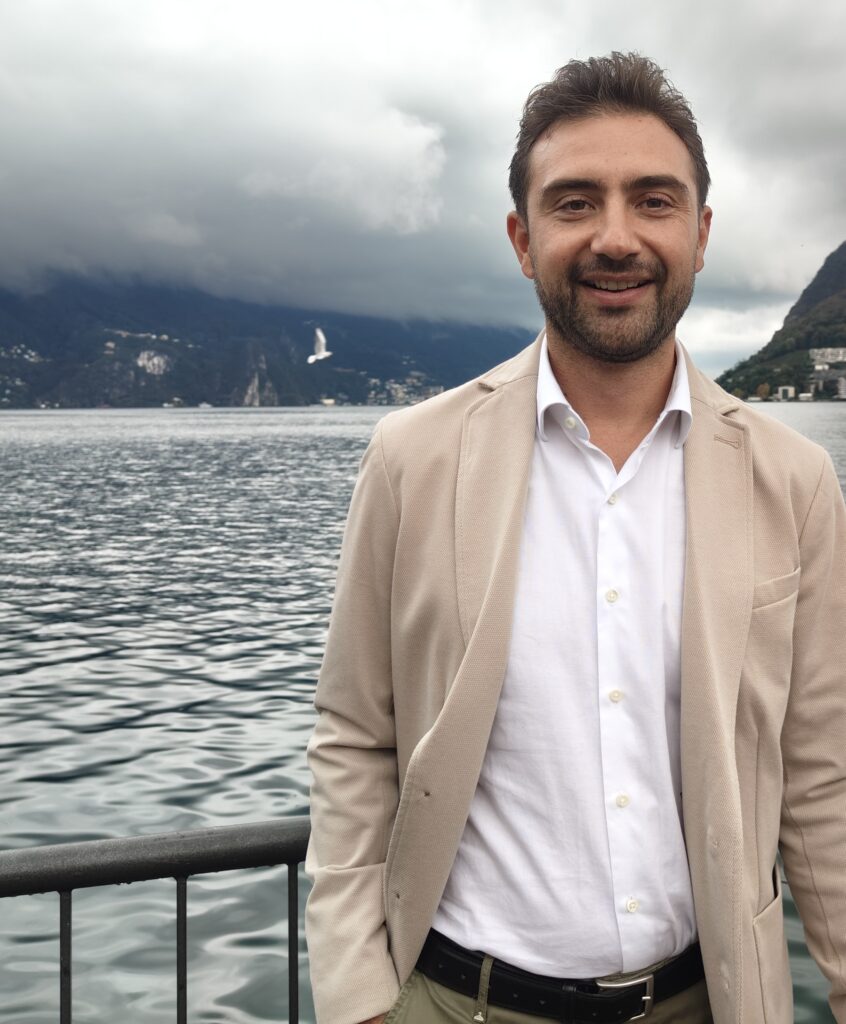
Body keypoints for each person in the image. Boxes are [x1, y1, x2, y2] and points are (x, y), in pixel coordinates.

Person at [304, 52, 846, 1024]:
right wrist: (356, 998)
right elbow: (355, 736)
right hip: (453, 1002)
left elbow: (822, 774)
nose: (615, 237)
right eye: (574, 203)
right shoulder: (411, 458)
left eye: (653, 201)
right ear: (523, 239)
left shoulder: (793, 480)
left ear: (700, 233)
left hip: (712, 999)